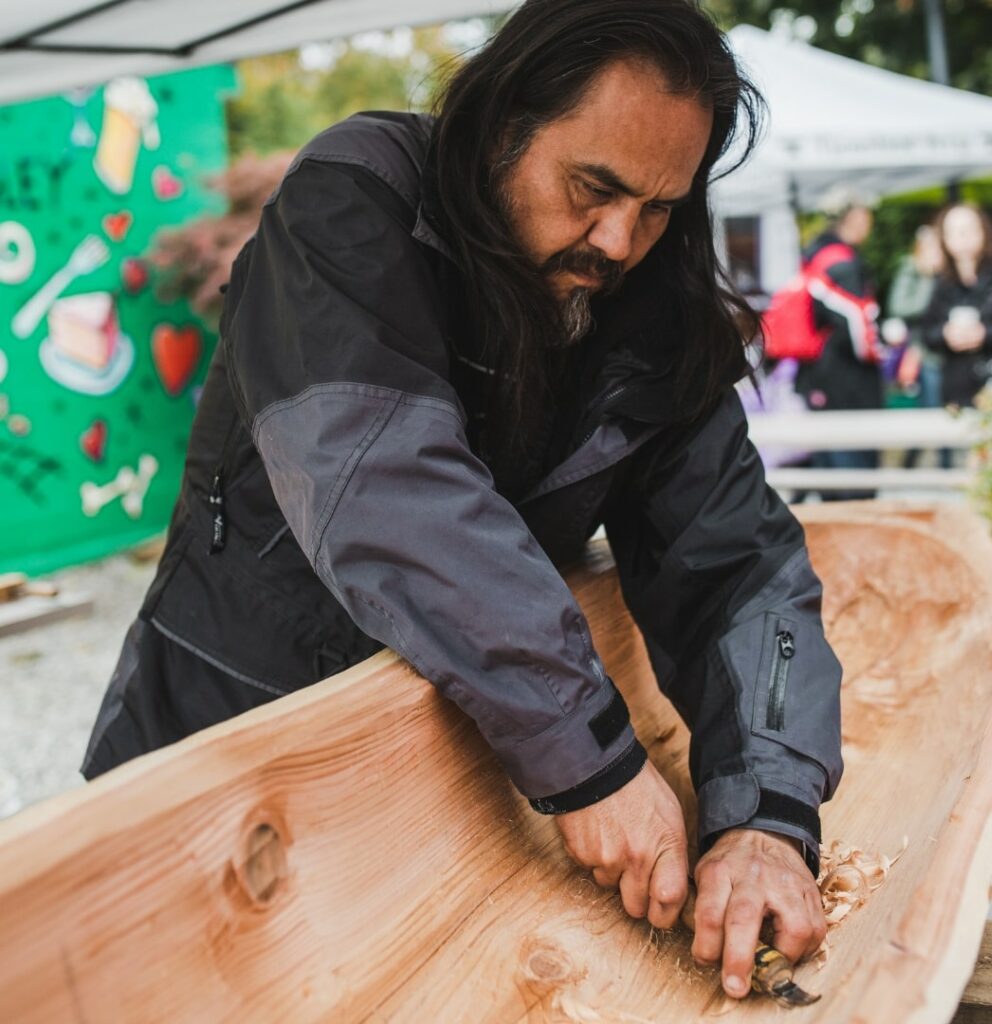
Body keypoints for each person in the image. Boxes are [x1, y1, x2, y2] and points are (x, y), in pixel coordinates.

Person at [82, 0, 842, 999]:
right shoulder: (351, 201)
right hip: (219, 757)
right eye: (592, 187)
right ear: (501, 123)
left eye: (659, 207)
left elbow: (738, 568)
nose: (619, 240)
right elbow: (384, 481)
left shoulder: (656, 311)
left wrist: (765, 818)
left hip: (463, 797)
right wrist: (598, 763)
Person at [794, 192, 884, 500]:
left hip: (816, 371)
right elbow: (857, 323)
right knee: (854, 466)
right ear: (855, 218)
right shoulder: (842, 263)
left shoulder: (813, 255)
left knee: (829, 462)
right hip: (846, 377)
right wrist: (879, 353)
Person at [923, 202, 992, 408]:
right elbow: (927, 331)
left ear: (984, 231)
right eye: (954, 231)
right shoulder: (943, 282)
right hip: (957, 388)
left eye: (967, 229)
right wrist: (946, 334)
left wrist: (985, 334)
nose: (962, 237)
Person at [886, 224, 946, 468]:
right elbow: (900, 306)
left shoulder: (949, 271)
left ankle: (922, 461)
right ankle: (930, 464)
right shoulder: (913, 269)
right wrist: (928, 279)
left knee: (940, 410)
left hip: (947, 353)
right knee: (932, 411)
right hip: (924, 354)